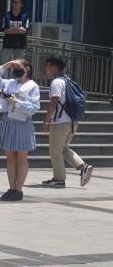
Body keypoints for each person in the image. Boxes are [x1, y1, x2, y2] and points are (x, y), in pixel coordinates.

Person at [0, 59, 40, 201]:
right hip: (9, 120)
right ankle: (12, 188)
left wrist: (16, 102)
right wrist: (6, 65)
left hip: (23, 122)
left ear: (27, 68)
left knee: (21, 157)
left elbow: (34, 107)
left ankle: (19, 189)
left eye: (19, 66)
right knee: (10, 157)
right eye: (15, 67)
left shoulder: (33, 86)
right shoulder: (10, 83)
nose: (16, 69)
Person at [43, 55, 93, 188]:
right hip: (72, 121)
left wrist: (46, 122)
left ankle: (59, 179)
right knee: (64, 149)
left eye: (47, 65)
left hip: (60, 122)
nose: (45, 68)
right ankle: (83, 166)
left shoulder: (56, 82)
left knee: (55, 151)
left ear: (54, 67)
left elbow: (54, 102)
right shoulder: (68, 80)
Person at [0, 0, 30, 66]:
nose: (16, 4)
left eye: (18, 2)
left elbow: (24, 30)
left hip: (20, 44)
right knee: (3, 64)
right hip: (7, 44)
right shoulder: (7, 15)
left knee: (19, 65)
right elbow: (5, 30)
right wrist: (18, 29)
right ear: (11, 3)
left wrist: (12, 29)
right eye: (14, 2)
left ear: (21, 4)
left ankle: (17, 74)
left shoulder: (25, 16)